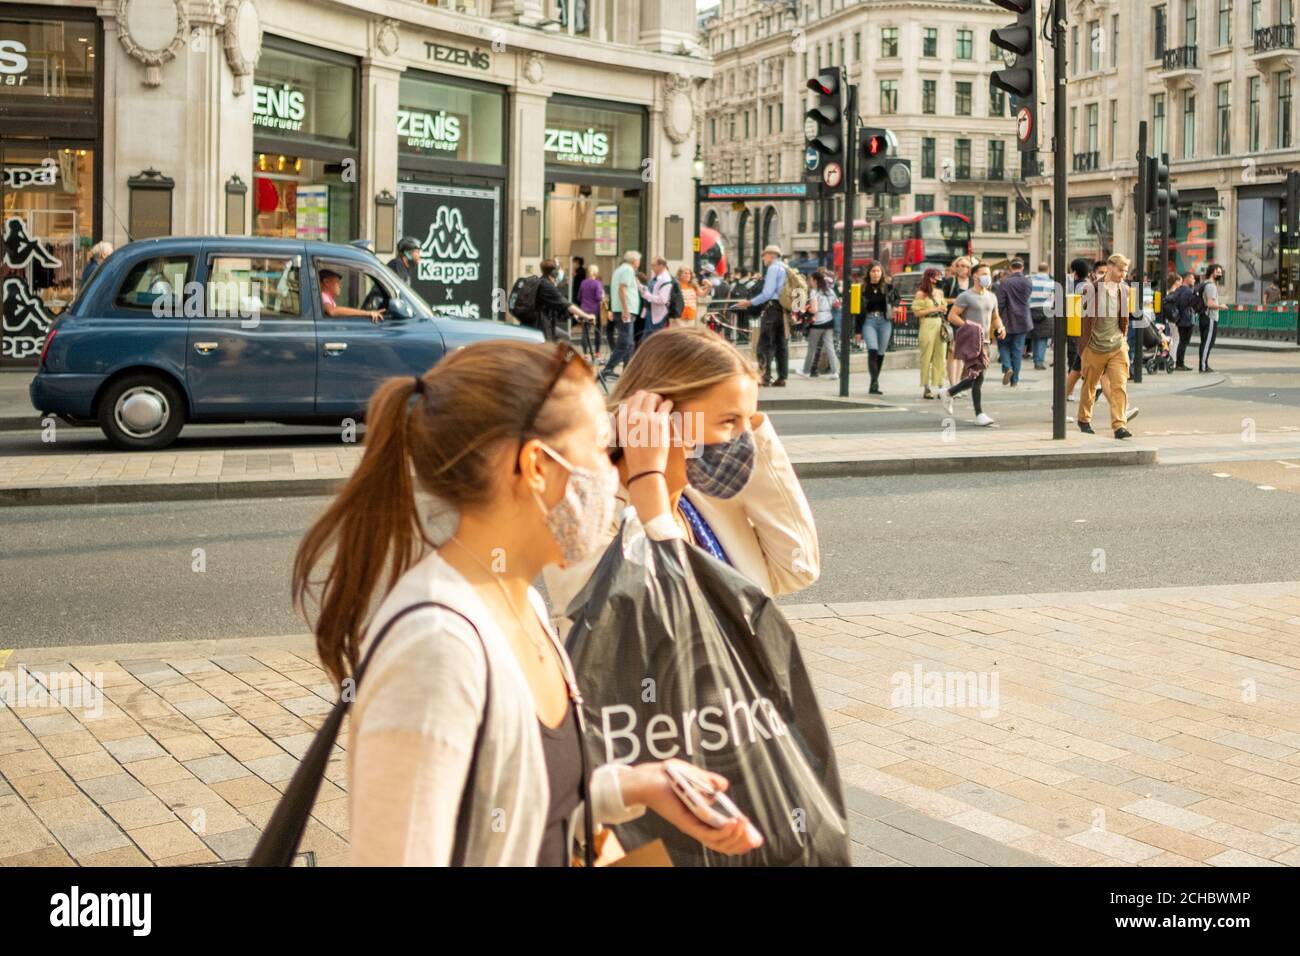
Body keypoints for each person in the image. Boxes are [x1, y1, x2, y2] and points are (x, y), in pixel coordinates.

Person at [293, 341, 761, 866]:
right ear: (536, 466)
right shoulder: (436, 649)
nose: (614, 476)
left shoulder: (523, 607)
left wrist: (632, 786)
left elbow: (523, 798)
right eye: (603, 451)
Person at [544, 327, 820, 632]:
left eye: (749, 420)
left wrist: (759, 435)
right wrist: (648, 478)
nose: (745, 439)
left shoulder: (703, 503)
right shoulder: (583, 515)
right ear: (660, 417)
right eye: (729, 420)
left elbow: (798, 568)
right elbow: (656, 626)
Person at [936, 261, 1003, 426]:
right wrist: (969, 327)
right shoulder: (966, 296)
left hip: (985, 341)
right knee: (978, 376)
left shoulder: (992, 296)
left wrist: (1001, 327)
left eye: (988, 274)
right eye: (983, 274)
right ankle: (979, 413)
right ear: (975, 276)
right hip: (971, 340)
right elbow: (952, 316)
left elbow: (995, 317)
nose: (987, 277)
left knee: (976, 376)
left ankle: (949, 392)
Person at [1076, 253, 1134, 440]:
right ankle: (1084, 419)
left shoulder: (1124, 290)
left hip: (1117, 345)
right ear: (1110, 267)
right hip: (1094, 346)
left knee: (1120, 386)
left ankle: (1119, 426)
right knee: (1090, 386)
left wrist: (1123, 339)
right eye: (1120, 270)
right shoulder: (1091, 290)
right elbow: (1083, 319)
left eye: (1125, 271)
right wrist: (1083, 347)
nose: (1123, 274)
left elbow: (1123, 317)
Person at [735, 245, 790, 387]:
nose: (763, 258)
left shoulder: (773, 268)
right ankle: (782, 377)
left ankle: (764, 376)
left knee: (765, 344)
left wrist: (749, 302)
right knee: (781, 344)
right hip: (784, 309)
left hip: (771, 308)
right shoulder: (785, 267)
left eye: (764, 255)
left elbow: (767, 293)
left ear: (771, 255)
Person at [860, 261, 899, 395]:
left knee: (881, 353)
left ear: (881, 272)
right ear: (869, 273)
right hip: (868, 321)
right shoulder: (863, 288)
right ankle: (875, 381)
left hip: (884, 321)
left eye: (878, 271)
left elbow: (897, 298)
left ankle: (873, 383)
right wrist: (857, 330)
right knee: (873, 350)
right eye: (873, 271)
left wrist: (895, 306)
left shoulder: (888, 287)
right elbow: (857, 311)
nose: (875, 273)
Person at [535, 258, 594, 343]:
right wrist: (586, 316)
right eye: (558, 270)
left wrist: (573, 314)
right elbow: (566, 304)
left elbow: (558, 306)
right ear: (554, 273)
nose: (560, 272)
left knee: (564, 337)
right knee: (561, 340)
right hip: (542, 326)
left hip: (544, 324)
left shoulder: (543, 282)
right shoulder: (546, 285)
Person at [995, 258, 1033, 386]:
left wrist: (996, 318)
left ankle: (1007, 367)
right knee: (1017, 350)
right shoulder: (1028, 282)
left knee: (1003, 345)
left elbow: (1000, 303)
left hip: (1007, 318)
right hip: (1023, 319)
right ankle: (1014, 380)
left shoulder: (1005, 283)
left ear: (1011, 268)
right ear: (1022, 268)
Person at [603, 250, 641, 379]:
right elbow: (621, 289)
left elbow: (615, 290)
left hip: (622, 309)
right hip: (626, 310)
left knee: (628, 342)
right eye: (638, 261)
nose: (639, 263)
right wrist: (625, 309)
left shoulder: (618, 270)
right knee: (625, 341)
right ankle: (608, 368)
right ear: (635, 261)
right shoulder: (628, 270)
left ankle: (627, 371)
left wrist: (614, 309)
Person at [912, 267, 947, 399]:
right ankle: (926, 387)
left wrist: (942, 309)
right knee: (926, 356)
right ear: (929, 277)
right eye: (935, 275)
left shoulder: (940, 292)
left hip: (939, 323)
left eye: (939, 275)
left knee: (941, 356)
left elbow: (944, 308)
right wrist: (935, 308)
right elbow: (917, 312)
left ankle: (940, 386)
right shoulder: (921, 294)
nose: (938, 278)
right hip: (926, 324)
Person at [800, 268, 840, 379]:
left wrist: (805, 309)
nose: (809, 282)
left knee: (812, 347)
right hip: (829, 320)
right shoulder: (830, 291)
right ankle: (835, 372)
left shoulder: (814, 292)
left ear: (815, 280)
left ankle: (806, 371)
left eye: (810, 280)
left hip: (817, 322)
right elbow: (836, 304)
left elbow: (814, 309)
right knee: (830, 347)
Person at [940, 256, 974, 387]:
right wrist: (955, 301)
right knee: (953, 352)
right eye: (959, 265)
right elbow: (941, 299)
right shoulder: (950, 282)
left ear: (969, 268)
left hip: (968, 320)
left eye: (965, 266)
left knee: (962, 354)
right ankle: (953, 384)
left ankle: (958, 383)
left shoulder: (972, 282)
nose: (962, 268)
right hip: (953, 320)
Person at [576, 263, 606, 362]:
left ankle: (585, 353)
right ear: (596, 273)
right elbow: (598, 297)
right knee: (598, 331)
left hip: (584, 310)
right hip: (595, 311)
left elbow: (579, 297)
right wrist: (602, 296)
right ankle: (597, 352)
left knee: (585, 332)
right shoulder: (597, 283)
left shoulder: (583, 283)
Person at [1028, 261, 1055, 370]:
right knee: (1042, 337)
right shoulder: (1051, 282)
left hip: (1031, 309)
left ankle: (1036, 359)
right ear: (1048, 269)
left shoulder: (1030, 280)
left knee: (1034, 336)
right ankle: (1039, 361)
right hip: (1045, 310)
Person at [1167, 271, 1196, 370]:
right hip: (1185, 320)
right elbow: (1189, 304)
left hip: (1178, 319)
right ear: (1187, 279)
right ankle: (1179, 363)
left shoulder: (1178, 290)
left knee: (1179, 341)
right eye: (1192, 278)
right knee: (1181, 342)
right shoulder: (1187, 291)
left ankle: (1176, 362)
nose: (1194, 280)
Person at [1198, 262, 1223, 373]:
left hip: (1204, 316)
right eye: (1218, 272)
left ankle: (1204, 364)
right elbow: (1210, 304)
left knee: (1205, 342)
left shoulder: (1205, 284)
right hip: (1210, 317)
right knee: (1208, 342)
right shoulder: (1211, 286)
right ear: (1212, 273)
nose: (1220, 275)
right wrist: (1221, 306)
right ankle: (1203, 366)